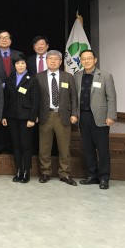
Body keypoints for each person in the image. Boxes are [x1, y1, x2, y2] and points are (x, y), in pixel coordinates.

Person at [74, 49, 117, 190]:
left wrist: (111, 115)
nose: (86, 61)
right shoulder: (77, 76)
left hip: (100, 117)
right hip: (83, 116)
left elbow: (111, 97)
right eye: (83, 59)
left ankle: (104, 177)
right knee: (87, 148)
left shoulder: (105, 76)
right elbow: (75, 98)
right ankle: (92, 176)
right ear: (80, 61)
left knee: (102, 149)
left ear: (95, 60)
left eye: (89, 58)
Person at [36, 50, 78, 186]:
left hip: (63, 116)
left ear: (60, 62)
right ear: (46, 61)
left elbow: (73, 97)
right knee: (44, 147)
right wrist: (34, 115)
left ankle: (65, 173)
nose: (53, 61)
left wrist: (74, 114)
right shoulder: (38, 77)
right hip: (45, 115)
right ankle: (45, 172)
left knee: (64, 147)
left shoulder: (68, 77)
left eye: (56, 59)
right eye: (50, 59)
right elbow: (34, 98)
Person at [2, 54, 39, 183]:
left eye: (23, 63)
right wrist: (4, 116)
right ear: (14, 65)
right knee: (16, 144)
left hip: (26, 118)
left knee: (26, 145)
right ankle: (19, 169)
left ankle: (27, 171)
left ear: (26, 65)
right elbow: (6, 99)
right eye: (18, 63)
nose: (20, 66)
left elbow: (35, 100)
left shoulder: (32, 79)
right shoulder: (9, 79)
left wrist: (32, 118)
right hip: (12, 117)